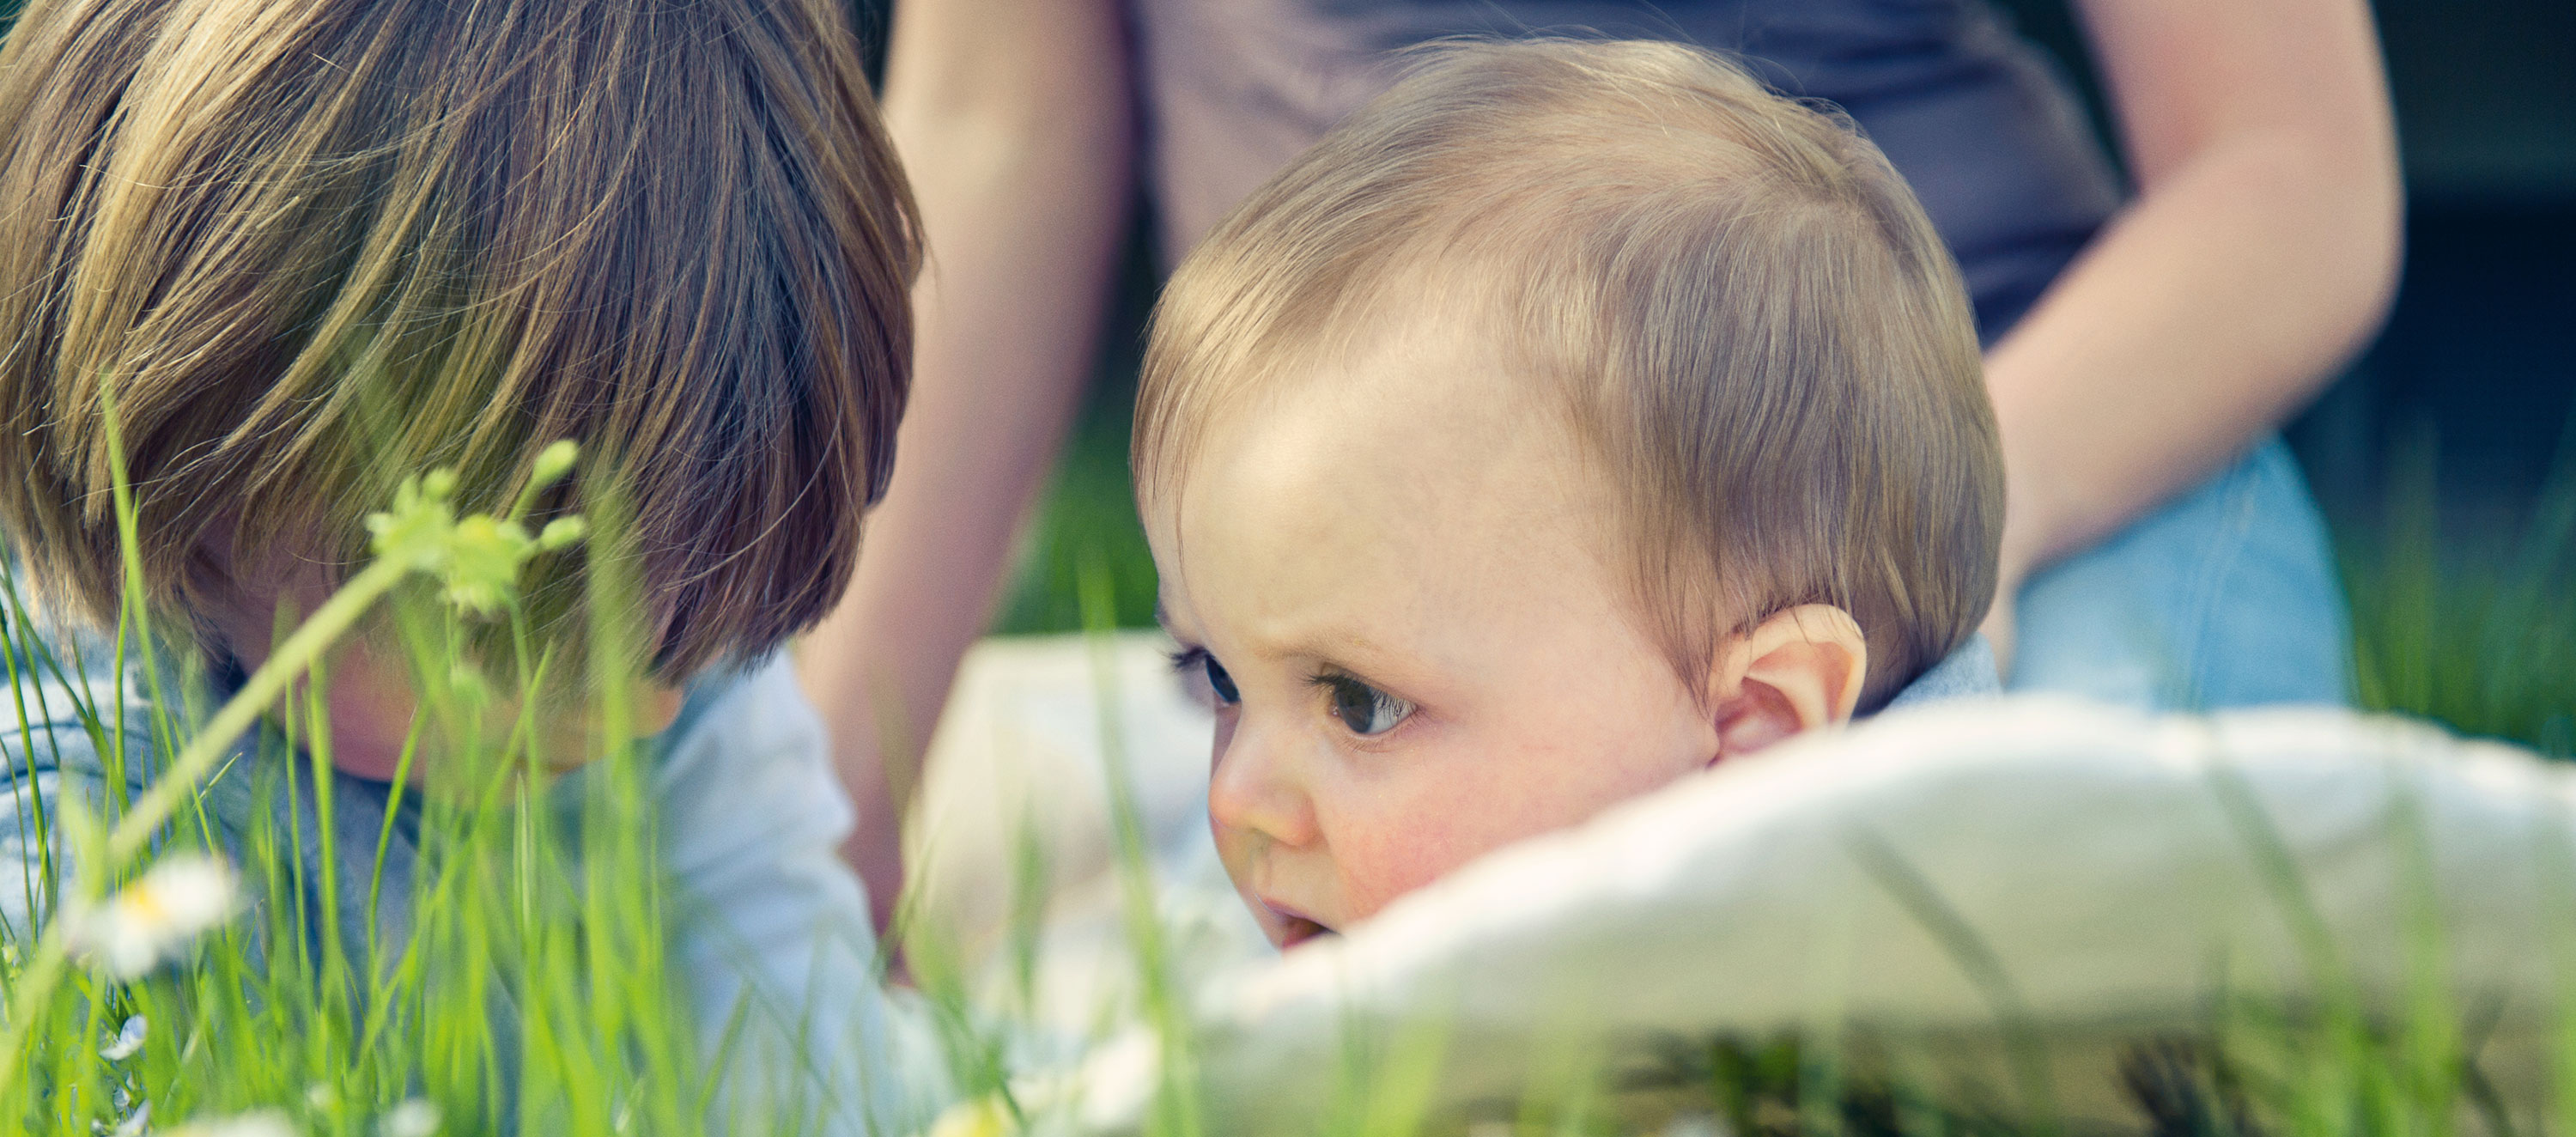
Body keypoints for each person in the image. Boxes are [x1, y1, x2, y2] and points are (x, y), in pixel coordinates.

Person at [808, 0, 2402, 933]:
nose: (1245, 794)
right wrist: (822, 850)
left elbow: (2295, 172)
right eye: (1207, 678)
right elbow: (995, 125)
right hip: (1410, 580)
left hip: (2046, 467)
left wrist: (1983, 518)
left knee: (2054, 929)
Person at [0, 0, 935, 1127]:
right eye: (524, 624)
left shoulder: (670, 653)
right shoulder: (88, 816)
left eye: (696, 633)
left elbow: (794, 1030)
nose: (646, 709)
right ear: (210, 478)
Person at [1132, 39, 2006, 945]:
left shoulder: (1947, 1015)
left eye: (1362, 704)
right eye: (1221, 676)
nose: (1235, 799)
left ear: (1752, 730)